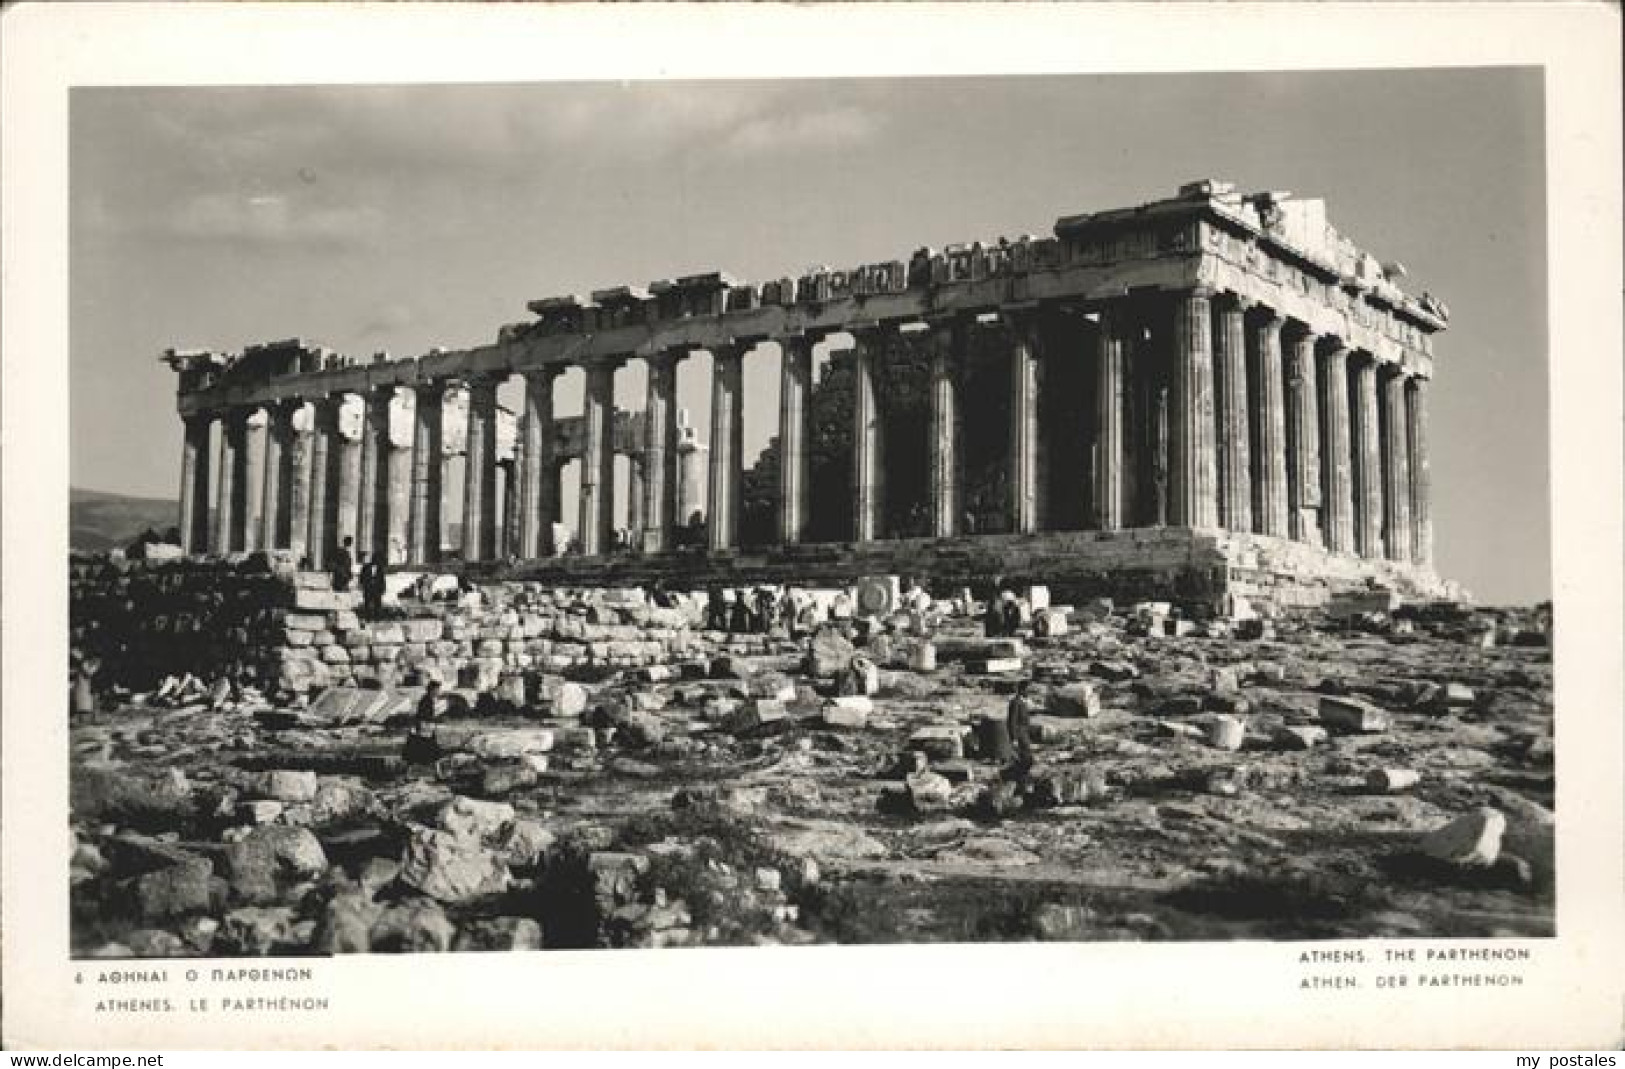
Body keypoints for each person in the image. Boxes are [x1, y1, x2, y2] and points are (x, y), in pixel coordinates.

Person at [404, 680, 445, 765]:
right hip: (424, 727)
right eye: (437, 690)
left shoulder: (427, 699)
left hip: (425, 727)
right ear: (432, 690)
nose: (438, 692)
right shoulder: (427, 700)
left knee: (426, 748)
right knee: (426, 748)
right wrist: (434, 720)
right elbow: (423, 715)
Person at [1006, 679, 1035, 771]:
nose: (1029, 692)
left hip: (1024, 733)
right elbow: (1012, 721)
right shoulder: (1016, 702)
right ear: (1022, 690)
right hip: (1019, 734)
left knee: (1026, 756)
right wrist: (1014, 738)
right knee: (1025, 757)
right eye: (1028, 690)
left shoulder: (1023, 702)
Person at [359, 553, 386, 619]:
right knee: (367, 604)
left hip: (377, 589)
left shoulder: (380, 569)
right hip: (368, 589)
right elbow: (361, 579)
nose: (376, 561)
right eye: (375, 559)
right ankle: (368, 617)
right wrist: (365, 586)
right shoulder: (365, 568)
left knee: (377, 604)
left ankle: (377, 617)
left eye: (378, 560)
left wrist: (383, 589)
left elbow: (382, 580)